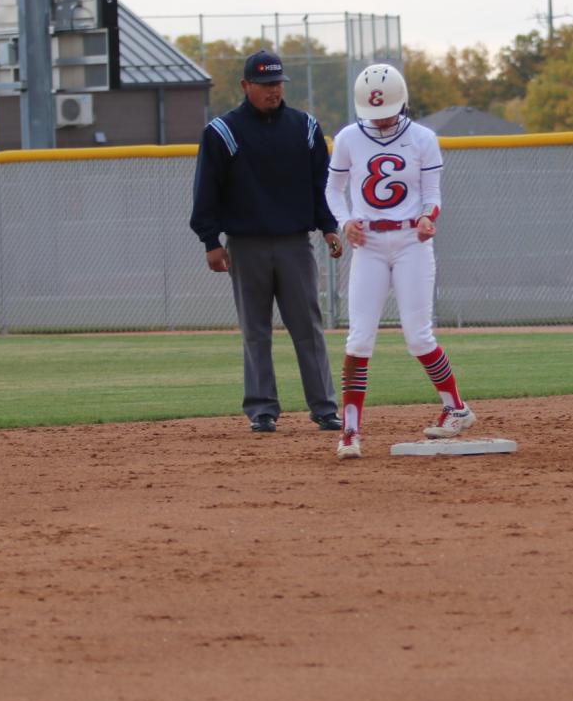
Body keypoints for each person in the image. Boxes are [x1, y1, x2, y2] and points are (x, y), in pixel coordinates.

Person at [189, 50, 345, 434]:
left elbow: (320, 185)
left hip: (295, 242)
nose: (272, 90)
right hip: (246, 243)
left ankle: (324, 407)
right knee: (256, 330)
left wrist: (328, 227)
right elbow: (206, 191)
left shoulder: (305, 127)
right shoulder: (222, 132)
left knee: (308, 326)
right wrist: (211, 240)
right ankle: (262, 409)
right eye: (263, 84)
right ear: (245, 86)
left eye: (276, 83)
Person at [323, 64, 473, 460]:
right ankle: (350, 432)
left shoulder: (423, 138)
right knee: (359, 338)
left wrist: (429, 217)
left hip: (410, 241)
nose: (381, 117)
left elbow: (433, 193)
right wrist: (345, 221)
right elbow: (333, 190)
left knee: (419, 336)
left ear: (402, 101)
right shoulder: (349, 138)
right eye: (373, 111)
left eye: (387, 109)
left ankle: (456, 408)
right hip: (369, 242)